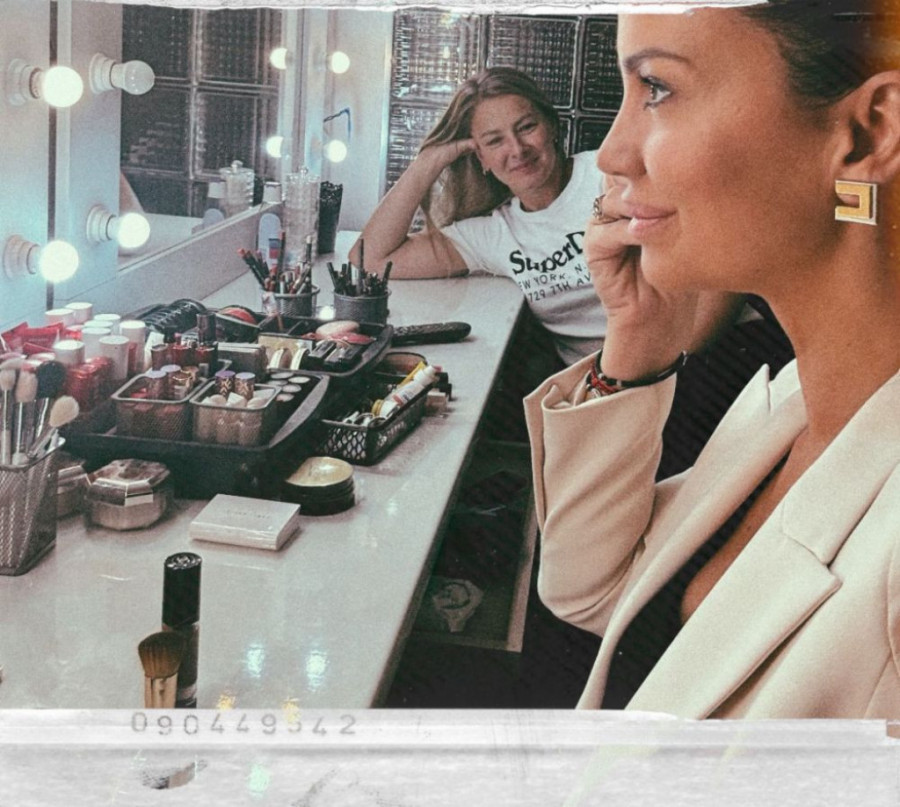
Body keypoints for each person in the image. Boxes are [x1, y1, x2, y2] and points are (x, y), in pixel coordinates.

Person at [525, 0, 900, 719]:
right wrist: (638, 335)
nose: (611, 154)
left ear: (867, 134)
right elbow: (587, 592)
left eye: (657, 88)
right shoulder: (790, 407)